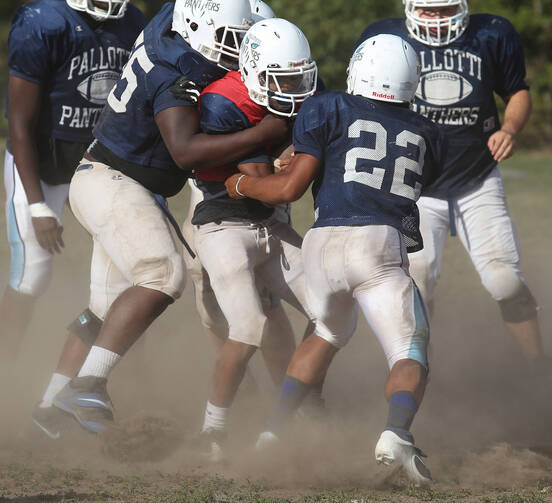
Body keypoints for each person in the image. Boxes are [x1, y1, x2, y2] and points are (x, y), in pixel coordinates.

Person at [31, 0, 292, 438]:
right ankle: (87, 385)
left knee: (106, 309)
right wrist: (265, 133)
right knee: (162, 274)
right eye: (231, 39)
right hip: (115, 181)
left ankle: (48, 408)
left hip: (110, 176)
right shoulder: (180, 70)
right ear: (197, 26)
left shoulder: (168, 22)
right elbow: (184, 151)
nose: (236, 49)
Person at [225, 34, 446, 485]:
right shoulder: (430, 133)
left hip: (322, 242)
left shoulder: (326, 107)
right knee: (410, 351)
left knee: (325, 332)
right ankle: (396, 435)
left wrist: (241, 185)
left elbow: (293, 186)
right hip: (377, 243)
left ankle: (272, 433)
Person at [356, 0, 544, 366]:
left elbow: (516, 90)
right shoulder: (385, 38)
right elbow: (361, 106)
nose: (437, 18)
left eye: (445, 9)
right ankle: (417, 373)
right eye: (428, 9)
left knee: (504, 278)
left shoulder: (490, 33)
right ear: (410, 7)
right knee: (416, 285)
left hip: (477, 175)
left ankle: (540, 368)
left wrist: (510, 128)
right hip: (415, 185)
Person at [192, 18, 318, 460]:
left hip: (271, 223)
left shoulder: (283, 95)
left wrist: (290, 160)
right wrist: (291, 158)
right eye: (281, 78)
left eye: (297, 78)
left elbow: (284, 170)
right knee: (248, 328)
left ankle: (299, 407)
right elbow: (264, 178)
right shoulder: (223, 101)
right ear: (254, 70)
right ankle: (213, 429)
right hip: (224, 225)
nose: (292, 88)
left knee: (331, 311)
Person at [1, 0, 146, 360]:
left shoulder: (131, 21)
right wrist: (37, 205)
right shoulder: (42, 23)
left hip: (93, 163)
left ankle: (109, 373)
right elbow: (19, 124)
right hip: (41, 165)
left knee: (131, 270)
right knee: (32, 275)